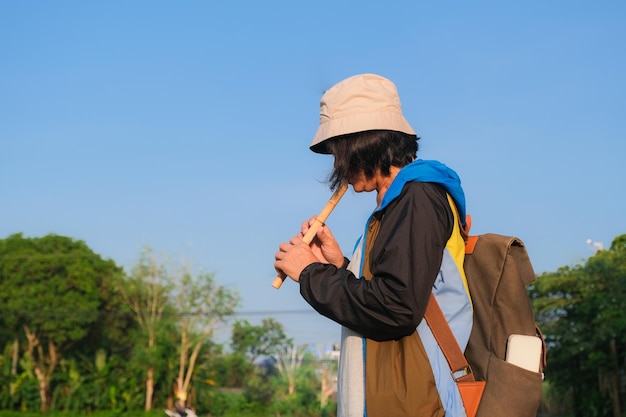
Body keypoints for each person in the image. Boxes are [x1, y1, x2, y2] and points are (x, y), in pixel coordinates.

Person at [274, 74, 473, 417]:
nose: (338, 165)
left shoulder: (418, 197)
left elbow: (395, 307)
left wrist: (310, 273)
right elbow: (392, 291)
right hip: (396, 398)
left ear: (363, 144)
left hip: (415, 401)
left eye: (339, 151)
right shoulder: (398, 203)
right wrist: (337, 266)